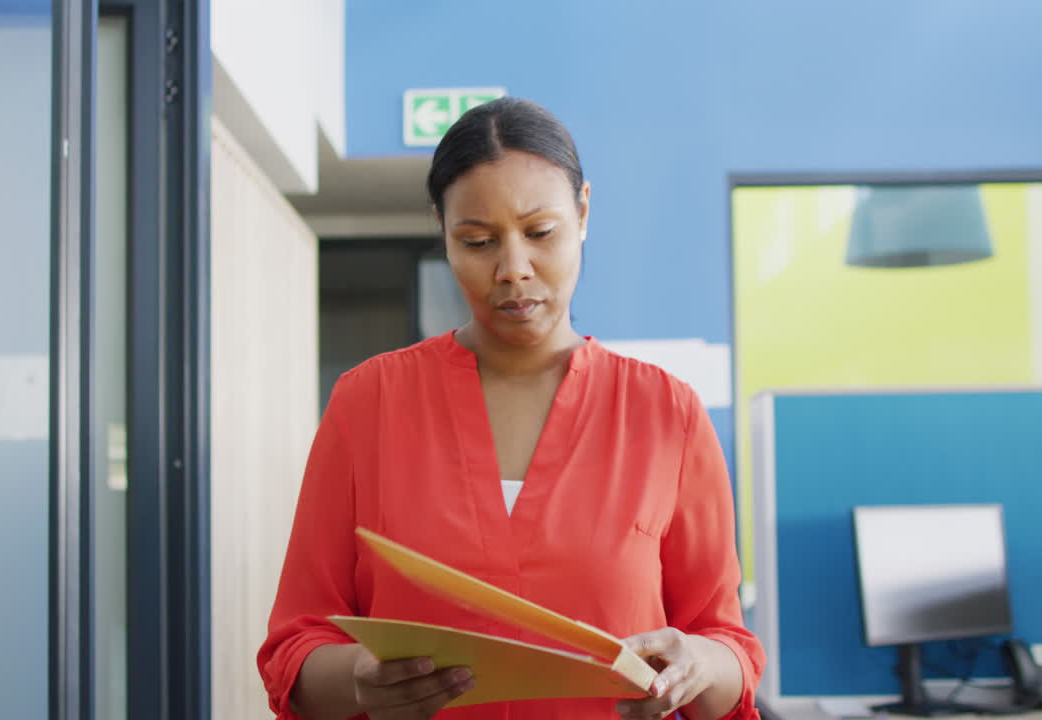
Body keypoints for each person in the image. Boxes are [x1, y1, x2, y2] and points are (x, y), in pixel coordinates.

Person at [257, 97, 764, 720]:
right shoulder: (369, 402)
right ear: (443, 233)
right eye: (478, 241)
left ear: (583, 213)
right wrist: (360, 677)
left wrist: (697, 666)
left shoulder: (667, 413)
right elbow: (294, 648)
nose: (513, 269)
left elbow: (728, 647)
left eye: (540, 233)